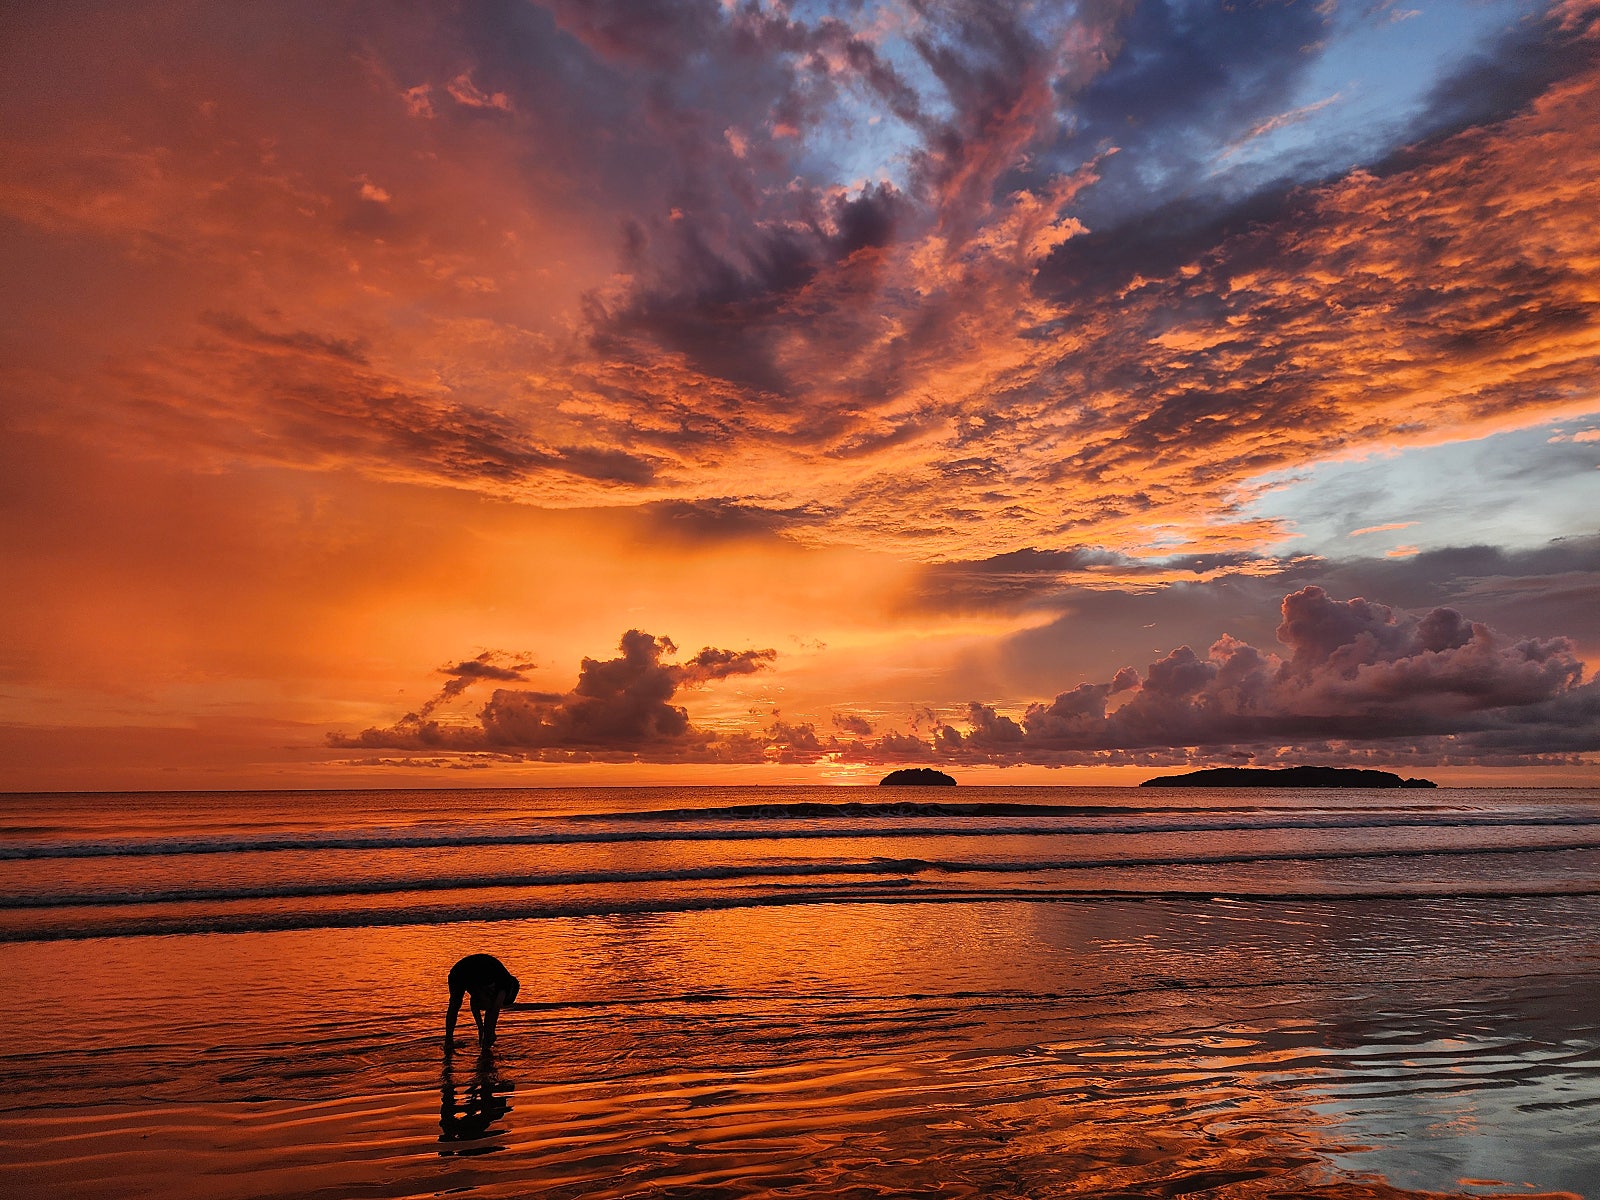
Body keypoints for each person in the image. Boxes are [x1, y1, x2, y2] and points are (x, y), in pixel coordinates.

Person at [445, 953, 520, 1052]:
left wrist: (481, 1028)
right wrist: (490, 1032)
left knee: (455, 1005)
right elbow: (494, 1010)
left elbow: (474, 1003)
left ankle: (448, 1042)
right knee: (487, 1006)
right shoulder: (505, 984)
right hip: (466, 971)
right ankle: (485, 1044)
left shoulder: (493, 981)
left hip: (457, 971)